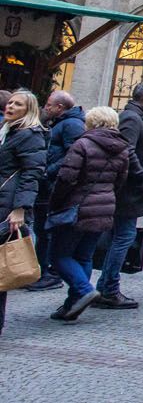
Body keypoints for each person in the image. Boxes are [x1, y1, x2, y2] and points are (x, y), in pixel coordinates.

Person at [46, 106, 143, 322]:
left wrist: (55, 203)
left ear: (90, 123)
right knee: (84, 255)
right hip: (105, 206)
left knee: (58, 255)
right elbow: (122, 179)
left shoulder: (82, 144)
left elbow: (65, 178)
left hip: (77, 207)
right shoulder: (122, 147)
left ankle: (83, 290)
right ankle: (72, 305)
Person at [96, 81, 143, 308]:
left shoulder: (137, 116)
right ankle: (109, 289)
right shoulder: (132, 117)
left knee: (120, 237)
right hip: (128, 191)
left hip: (130, 189)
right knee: (123, 237)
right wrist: (141, 174)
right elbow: (125, 148)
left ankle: (105, 286)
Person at [25, 90, 84, 291]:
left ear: (60, 107)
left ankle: (48, 273)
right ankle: (43, 270)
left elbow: (72, 154)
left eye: (49, 105)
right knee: (42, 230)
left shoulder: (71, 125)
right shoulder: (61, 123)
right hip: (48, 184)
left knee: (46, 231)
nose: (45, 108)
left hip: (53, 185)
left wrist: (47, 172)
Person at [0, 90, 46, 336]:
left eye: (17, 104)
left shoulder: (29, 135)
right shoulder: (9, 131)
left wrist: (20, 208)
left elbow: (32, 174)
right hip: (3, 201)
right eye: (10, 102)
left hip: (9, 207)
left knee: (1, 268)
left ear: (28, 110)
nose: (11, 106)